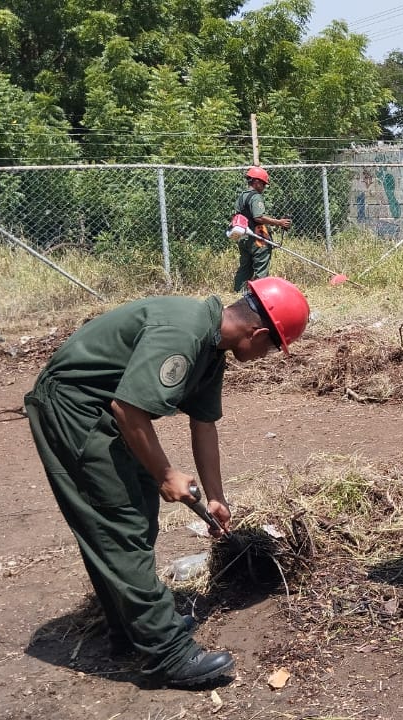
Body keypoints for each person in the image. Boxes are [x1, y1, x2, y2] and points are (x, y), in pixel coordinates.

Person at [24, 277, 310, 688]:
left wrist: (216, 497)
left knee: (139, 514)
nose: (267, 356)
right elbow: (127, 409)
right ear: (258, 332)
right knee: (120, 524)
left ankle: (134, 630)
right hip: (75, 410)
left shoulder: (212, 349)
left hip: (107, 414)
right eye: (272, 347)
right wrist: (165, 473)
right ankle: (167, 655)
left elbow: (204, 424)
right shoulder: (185, 332)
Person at [232, 166, 293, 292]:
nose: (264, 187)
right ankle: (259, 295)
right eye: (264, 184)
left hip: (242, 236)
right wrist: (279, 222)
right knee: (261, 266)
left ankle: (238, 292)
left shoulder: (241, 196)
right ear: (257, 182)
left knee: (245, 267)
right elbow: (258, 217)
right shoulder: (256, 197)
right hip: (257, 236)